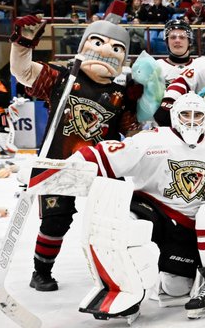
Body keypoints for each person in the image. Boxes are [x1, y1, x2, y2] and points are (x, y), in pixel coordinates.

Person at [9, 17, 143, 291]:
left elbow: (131, 132)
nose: (106, 51)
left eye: (116, 48)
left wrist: (142, 120)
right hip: (60, 162)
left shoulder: (122, 92)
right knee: (55, 220)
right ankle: (41, 271)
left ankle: (113, 271)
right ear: (84, 45)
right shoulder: (63, 77)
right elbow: (22, 72)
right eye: (98, 42)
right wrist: (23, 43)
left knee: (111, 221)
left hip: (101, 167)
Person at [75, 94, 205, 321]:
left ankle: (160, 276)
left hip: (187, 223)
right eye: (185, 115)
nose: (191, 121)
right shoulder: (153, 139)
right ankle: (122, 291)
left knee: (175, 289)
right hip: (152, 208)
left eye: (197, 115)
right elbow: (105, 155)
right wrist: (69, 166)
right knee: (128, 226)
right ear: (174, 117)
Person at [157, 19, 196, 85]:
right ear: (167, 42)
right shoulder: (157, 67)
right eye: (173, 37)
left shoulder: (199, 67)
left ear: (189, 42)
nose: (177, 40)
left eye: (182, 37)